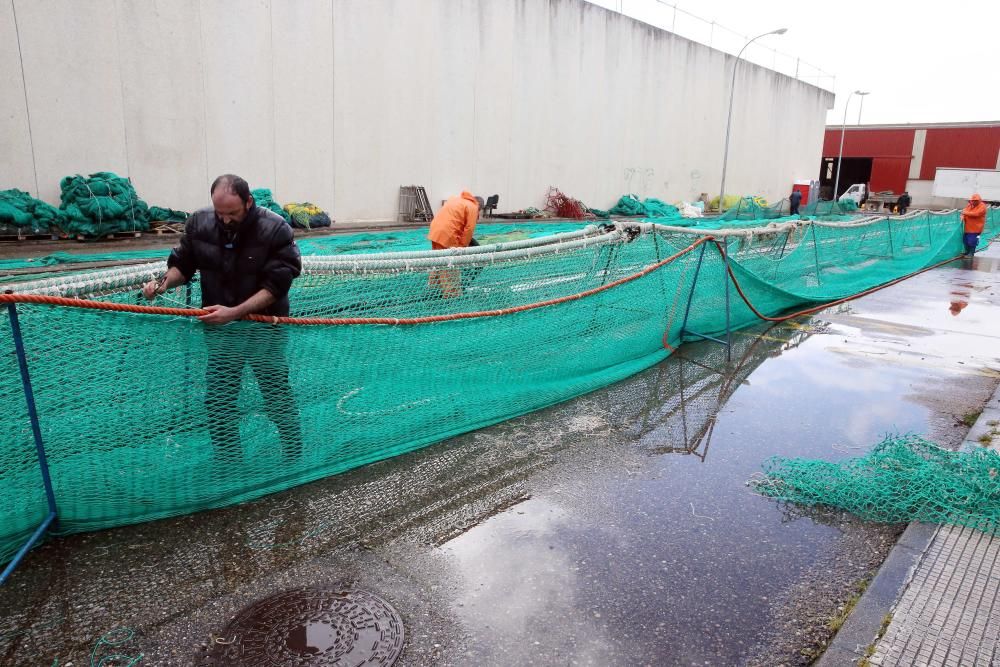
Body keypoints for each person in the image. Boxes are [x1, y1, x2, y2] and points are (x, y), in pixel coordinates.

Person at [142, 174, 303, 463]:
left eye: (233, 213)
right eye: (220, 213)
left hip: (264, 328)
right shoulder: (200, 223)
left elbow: (277, 284)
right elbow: (183, 264)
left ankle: (293, 453)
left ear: (248, 202)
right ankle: (230, 463)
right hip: (220, 331)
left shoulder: (275, 228)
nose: (226, 220)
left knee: (275, 392)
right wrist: (164, 283)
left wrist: (236, 312)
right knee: (218, 401)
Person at [427, 191, 480, 297]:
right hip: (448, 234)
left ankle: (434, 288)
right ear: (479, 206)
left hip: (435, 231)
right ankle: (452, 294)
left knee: (439, 260)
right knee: (451, 265)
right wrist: (461, 248)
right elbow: (469, 230)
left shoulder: (456, 199)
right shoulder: (473, 207)